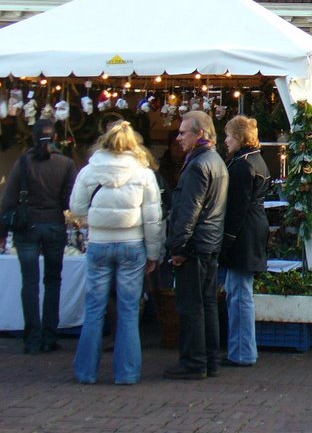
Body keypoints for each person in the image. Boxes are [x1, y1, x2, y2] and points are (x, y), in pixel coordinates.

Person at [70, 120, 164, 384]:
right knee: (129, 310)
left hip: (99, 243)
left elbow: (76, 208)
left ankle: (86, 372)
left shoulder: (90, 170)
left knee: (94, 309)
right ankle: (127, 373)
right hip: (132, 244)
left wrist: (94, 221)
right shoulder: (143, 173)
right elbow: (153, 217)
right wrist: (154, 253)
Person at [0, 118, 77, 354]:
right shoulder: (65, 163)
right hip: (54, 225)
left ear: (33, 138)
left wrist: (2, 233)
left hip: (27, 227)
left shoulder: (23, 163)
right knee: (53, 281)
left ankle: (32, 339)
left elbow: (8, 200)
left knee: (30, 282)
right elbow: (69, 201)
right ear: (55, 137)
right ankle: (49, 336)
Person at [163, 110, 229, 379]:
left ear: (199, 133)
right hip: (210, 241)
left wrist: (178, 248)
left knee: (191, 305)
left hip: (196, 245)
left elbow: (188, 210)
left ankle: (193, 362)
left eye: (183, 132)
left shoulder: (197, 165)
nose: (178, 138)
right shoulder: (217, 161)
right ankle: (210, 359)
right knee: (207, 304)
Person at [220, 115, 271, 368]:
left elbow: (236, 207)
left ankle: (242, 352)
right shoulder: (257, 160)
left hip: (244, 232)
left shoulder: (242, 165)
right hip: (254, 227)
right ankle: (241, 349)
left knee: (239, 294)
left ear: (239, 137)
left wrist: (227, 239)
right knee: (239, 291)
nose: (226, 141)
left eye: (229, 135)